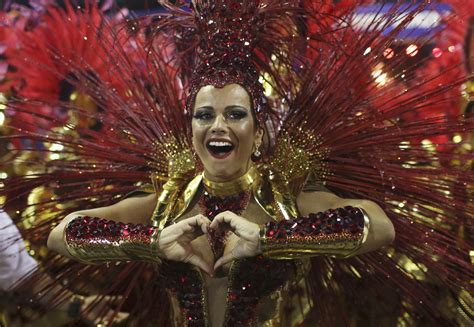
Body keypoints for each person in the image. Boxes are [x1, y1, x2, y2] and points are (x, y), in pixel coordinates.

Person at [2, 0, 472, 326]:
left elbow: (379, 225)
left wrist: (271, 239)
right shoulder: (166, 201)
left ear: (256, 129)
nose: (218, 126)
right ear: (191, 129)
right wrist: (149, 241)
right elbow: (60, 235)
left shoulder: (288, 198)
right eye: (204, 115)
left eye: (235, 114)